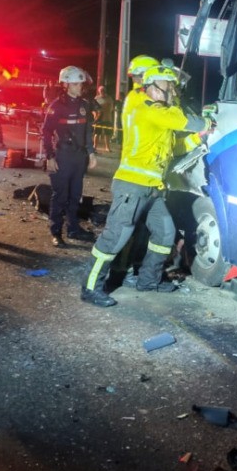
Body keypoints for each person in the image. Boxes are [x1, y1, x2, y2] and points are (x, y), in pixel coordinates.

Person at [80, 64, 209, 307]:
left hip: (152, 189)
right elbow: (185, 121)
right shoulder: (149, 109)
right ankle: (90, 287)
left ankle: (148, 281)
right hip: (132, 187)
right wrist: (206, 122)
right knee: (115, 238)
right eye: (170, 86)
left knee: (165, 233)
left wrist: (197, 139)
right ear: (156, 88)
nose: (174, 91)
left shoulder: (160, 116)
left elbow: (174, 148)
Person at [42, 66, 97, 246]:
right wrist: (50, 156)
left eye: (80, 83)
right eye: (75, 84)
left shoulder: (84, 105)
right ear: (65, 85)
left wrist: (91, 153)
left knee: (75, 196)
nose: (80, 87)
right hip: (62, 156)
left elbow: (87, 131)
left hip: (79, 157)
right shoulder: (56, 106)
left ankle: (73, 229)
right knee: (60, 196)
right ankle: (56, 232)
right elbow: (46, 132)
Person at [93, 85, 114, 153]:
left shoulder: (109, 98)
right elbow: (93, 108)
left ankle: (107, 147)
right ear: (99, 91)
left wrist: (103, 109)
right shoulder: (96, 98)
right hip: (98, 118)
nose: (102, 91)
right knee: (97, 133)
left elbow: (111, 108)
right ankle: (94, 146)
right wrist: (95, 115)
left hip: (107, 118)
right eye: (101, 90)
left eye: (103, 90)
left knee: (107, 133)